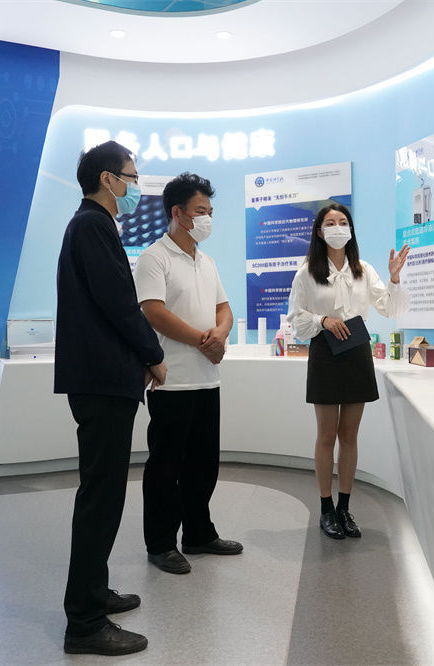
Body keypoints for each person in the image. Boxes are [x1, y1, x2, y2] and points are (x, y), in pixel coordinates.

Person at [54, 140, 168, 656]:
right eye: (132, 177)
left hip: (102, 379)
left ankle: (94, 592)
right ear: (108, 178)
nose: (135, 186)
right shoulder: (93, 226)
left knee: (103, 494)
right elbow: (120, 304)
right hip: (102, 382)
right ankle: (84, 623)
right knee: (101, 499)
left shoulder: (92, 226)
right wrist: (152, 353)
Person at [133, 172, 243, 575]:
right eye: (201, 211)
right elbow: (153, 311)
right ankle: (161, 543)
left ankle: (198, 534)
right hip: (171, 380)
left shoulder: (206, 260)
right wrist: (202, 340)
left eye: (210, 211)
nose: (207, 218)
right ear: (177, 213)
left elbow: (224, 308)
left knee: (203, 463)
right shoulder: (154, 257)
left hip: (207, 377)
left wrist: (221, 334)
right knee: (166, 467)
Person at [286, 203, 410, 539]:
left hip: (356, 351)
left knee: (350, 435)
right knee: (326, 434)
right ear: (319, 231)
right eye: (330, 222)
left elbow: (390, 308)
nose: (337, 227)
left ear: (351, 229)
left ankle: (344, 507)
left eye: (343, 222)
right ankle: (326, 509)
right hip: (325, 352)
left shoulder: (363, 270)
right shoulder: (307, 272)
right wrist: (322, 320)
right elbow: (296, 319)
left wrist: (395, 278)